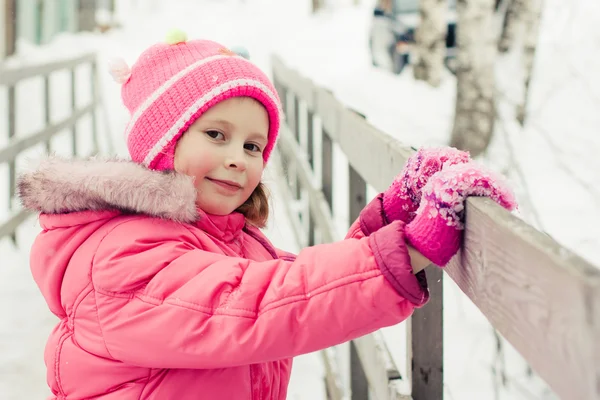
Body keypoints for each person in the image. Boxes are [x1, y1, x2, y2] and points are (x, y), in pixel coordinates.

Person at [17, 30, 515, 399]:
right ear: (163, 144)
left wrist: (391, 219)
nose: (239, 157)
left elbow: (297, 287)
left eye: (254, 145)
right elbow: (261, 306)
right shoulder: (125, 254)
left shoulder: (216, 238)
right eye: (216, 135)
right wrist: (410, 249)